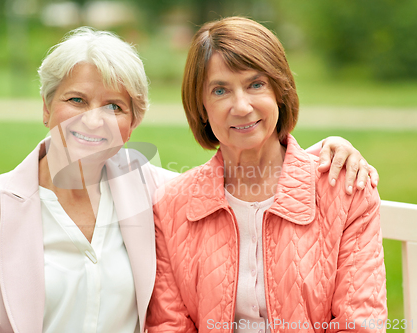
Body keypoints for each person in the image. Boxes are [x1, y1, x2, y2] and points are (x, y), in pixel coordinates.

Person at [0, 26, 378, 333]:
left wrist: (329, 149)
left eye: (115, 106)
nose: (95, 119)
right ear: (45, 107)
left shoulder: (154, 190)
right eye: (76, 99)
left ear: (132, 124)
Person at [147, 17, 386, 333]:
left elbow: (360, 324)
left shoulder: (346, 189)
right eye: (220, 90)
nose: (242, 106)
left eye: (255, 84)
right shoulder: (170, 205)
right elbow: (169, 325)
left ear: (280, 90)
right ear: (201, 107)